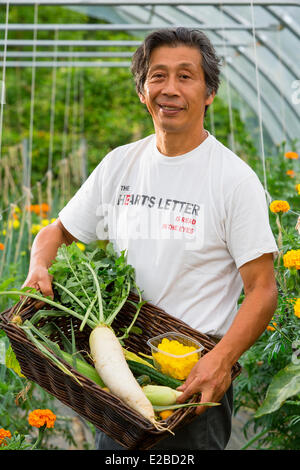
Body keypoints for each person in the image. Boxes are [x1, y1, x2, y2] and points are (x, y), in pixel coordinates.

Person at [22, 27, 278, 450]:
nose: (169, 89)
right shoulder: (119, 164)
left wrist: (221, 361)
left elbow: (263, 290)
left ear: (209, 92)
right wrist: (38, 266)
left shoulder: (233, 180)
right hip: (120, 370)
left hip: (192, 382)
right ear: (143, 90)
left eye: (185, 76)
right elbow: (57, 232)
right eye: (157, 76)